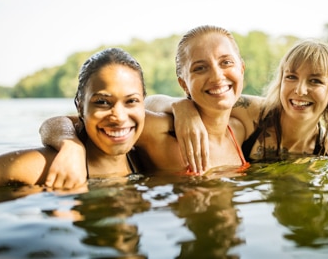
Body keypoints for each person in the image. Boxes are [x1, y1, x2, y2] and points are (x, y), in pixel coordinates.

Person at [40, 25, 250, 188]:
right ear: (183, 83)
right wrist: (70, 146)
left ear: (241, 69)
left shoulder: (239, 130)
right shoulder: (161, 130)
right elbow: (61, 122)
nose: (217, 76)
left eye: (226, 62)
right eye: (200, 68)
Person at [0, 48, 146, 193]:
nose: (119, 117)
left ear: (143, 103)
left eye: (131, 101)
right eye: (102, 102)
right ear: (80, 107)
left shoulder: (148, 158)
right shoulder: (40, 165)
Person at [149, 39, 328, 170]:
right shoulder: (253, 112)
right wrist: (181, 106)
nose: (300, 90)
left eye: (315, 81)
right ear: (280, 81)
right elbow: (149, 103)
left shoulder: (327, 147)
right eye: (291, 77)